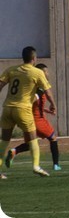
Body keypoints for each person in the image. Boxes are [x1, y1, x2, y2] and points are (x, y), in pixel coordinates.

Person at [0, 47, 55, 177]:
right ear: (34, 58)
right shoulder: (36, 72)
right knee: (32, 139)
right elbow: (47, 91)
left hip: (8, 108)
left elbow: (0, 85)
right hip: (23, 109)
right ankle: (36, 166)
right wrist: (53, 104)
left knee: (4, 140)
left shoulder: (12, 70)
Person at [5, 63, 61, 171]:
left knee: (30, 143)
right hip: (38, 120)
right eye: (46, 72)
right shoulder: (40, 88)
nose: (47, 74)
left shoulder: (30, 86)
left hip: (27, 119)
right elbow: (33, 100)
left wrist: (46, 110)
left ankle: (14, 151)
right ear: (40, 73)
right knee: (53, 139)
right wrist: (52, 105)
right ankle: (56, 165)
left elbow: (32, 105)